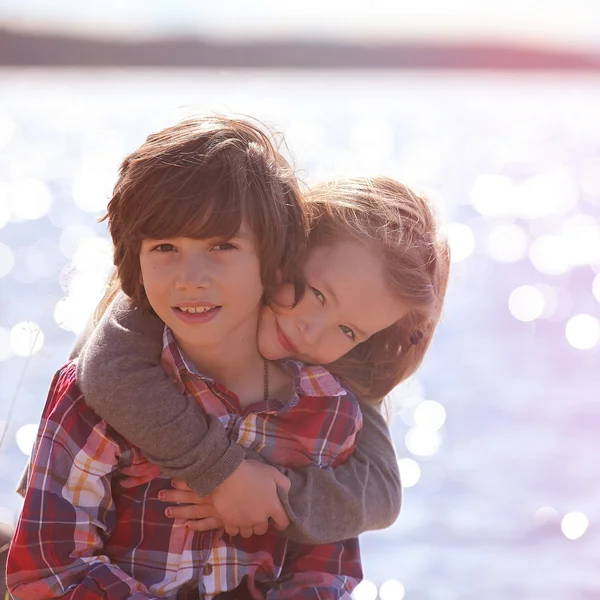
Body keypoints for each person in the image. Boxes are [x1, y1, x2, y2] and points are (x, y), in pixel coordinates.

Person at [6, 116, 442, 600]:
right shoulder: (135, 334)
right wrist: (224, 472)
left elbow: (361, 521)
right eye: (315, 294)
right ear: (287, 251)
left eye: (348, 330)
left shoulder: (333, 399)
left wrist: (277, 497)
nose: (309, 330)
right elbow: (104, 375)